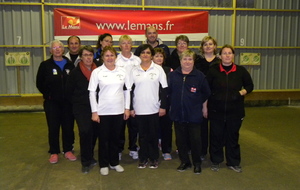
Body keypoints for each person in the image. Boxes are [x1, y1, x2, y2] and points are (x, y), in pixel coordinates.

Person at [206, 44, 254, 173]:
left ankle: (233, 162)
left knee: (232, 137)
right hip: (216, 111)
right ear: (220, 56)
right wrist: (207, 105)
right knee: (216, 137)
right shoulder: (213, 70)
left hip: (235, 111)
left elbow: (250, 85)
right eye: (224, 53)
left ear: (233, 55)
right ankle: (216, 161)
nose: (227, 55)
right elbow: (206, 88)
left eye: (230, 53)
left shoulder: (241, 71)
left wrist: (241, 92)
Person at [88, 46, 131, 176]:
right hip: (103, 112)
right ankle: (104, 164)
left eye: (111, 55)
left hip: (118, 111)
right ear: (102, 58)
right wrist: (94, 111)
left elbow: (127, 90)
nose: (109, 58)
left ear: (115, 57)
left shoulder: (122, 72)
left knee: (115, 139)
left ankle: (114, 163)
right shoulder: (97, 72)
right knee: (104, 139)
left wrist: (127, 108)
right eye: (106, 56)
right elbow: (92, 92)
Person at [168, 49, 211, 174]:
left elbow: (206, 93)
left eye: (190, 59)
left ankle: (197, 163)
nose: (187, 62)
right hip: (177, 113)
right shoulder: (173, 76)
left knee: (195, 140)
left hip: (194, 114)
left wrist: (203, 107)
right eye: (184, 59)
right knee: (180, 140)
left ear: (194, 61)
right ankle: (185, 162)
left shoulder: (200, 76)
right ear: (180, 61)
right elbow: (169, 93)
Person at [36, 39, 76, 164]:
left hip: (68, 103)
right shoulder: (45, 65)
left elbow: (75, 83)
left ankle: (68, 150)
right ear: (50, 50)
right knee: (53, 127)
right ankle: (54, 152)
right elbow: (39, 83)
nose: (57, 49)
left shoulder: (70, 65)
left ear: (63, 50)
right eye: (54, 48)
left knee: (68, 127)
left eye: (59, 47)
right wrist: (48, 95)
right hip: (52, 103)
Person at [130, 44, 168, 169]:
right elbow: (129, 90)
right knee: (142, 136)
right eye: (142, 52)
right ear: (139, 55)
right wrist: (130, 107)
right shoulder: (134, 70)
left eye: (148, 52)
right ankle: (143, 158)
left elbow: (164, 89)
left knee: (153, 135)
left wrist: (163, 106)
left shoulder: (158, 69)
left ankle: (154, 158)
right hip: (139, 109)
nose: (145, 55)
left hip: (154, 108)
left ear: (151, 55)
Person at [66, 45, 100, 174]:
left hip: (96, 107)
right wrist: (76, 105)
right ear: (81, 57)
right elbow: (69, 92)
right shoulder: (75, 73)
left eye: (90, 55)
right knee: (85, 131)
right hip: (81, 108)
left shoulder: (98, 70)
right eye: (85, 55)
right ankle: (85, 162)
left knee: (94, 132)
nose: (88, 58)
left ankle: (90, 156)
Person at [194, 36, 221, 161]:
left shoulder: (220, 62)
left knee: (216, 128)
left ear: (215, 46)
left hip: (216, 98)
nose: (208, 46)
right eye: (205, 44)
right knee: (202, 128)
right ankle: (202, 151)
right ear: (202, 47)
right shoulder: (198, 62)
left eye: (210, 44)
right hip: (201, 97)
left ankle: (215, 153)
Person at [115, 35, 141, 160]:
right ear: (119, 45)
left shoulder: (138, 60)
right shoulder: (116, 60)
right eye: (123, 43)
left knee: (134, 124)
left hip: (135, 93)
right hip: (120, 94)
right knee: (120, 124)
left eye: (128, 43)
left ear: (132, 45)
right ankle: (119, 149)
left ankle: (133, 147)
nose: (126, 45)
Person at [153, 47, 173, 161]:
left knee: (166, 128)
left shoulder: (169, 70)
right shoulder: (149, 70)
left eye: (161, 56)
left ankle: (166, 150)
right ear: (152, 58)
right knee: (153, 128)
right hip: (152, 104)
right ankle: (153, 148)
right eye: (156, 56)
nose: (159, 58)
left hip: (166, 104)